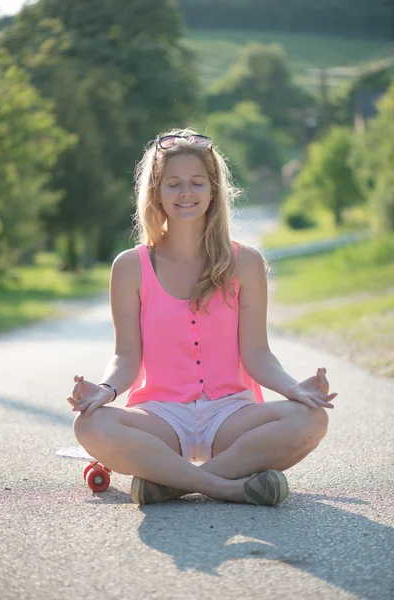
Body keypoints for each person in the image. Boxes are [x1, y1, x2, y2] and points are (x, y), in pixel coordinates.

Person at [67, 129, 337, 507]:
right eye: (174, 184)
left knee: (311, 419)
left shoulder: (246, 262)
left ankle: (170, 484)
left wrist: (295, 390)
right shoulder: (130, 266)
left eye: (197, 183)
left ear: (213, 191)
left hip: (232, 415)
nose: (186, 193)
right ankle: (227, 487)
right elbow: (126, 357)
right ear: (156, 192)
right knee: (90, 424)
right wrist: (105, 390)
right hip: (160, 418)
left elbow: (257, 354)